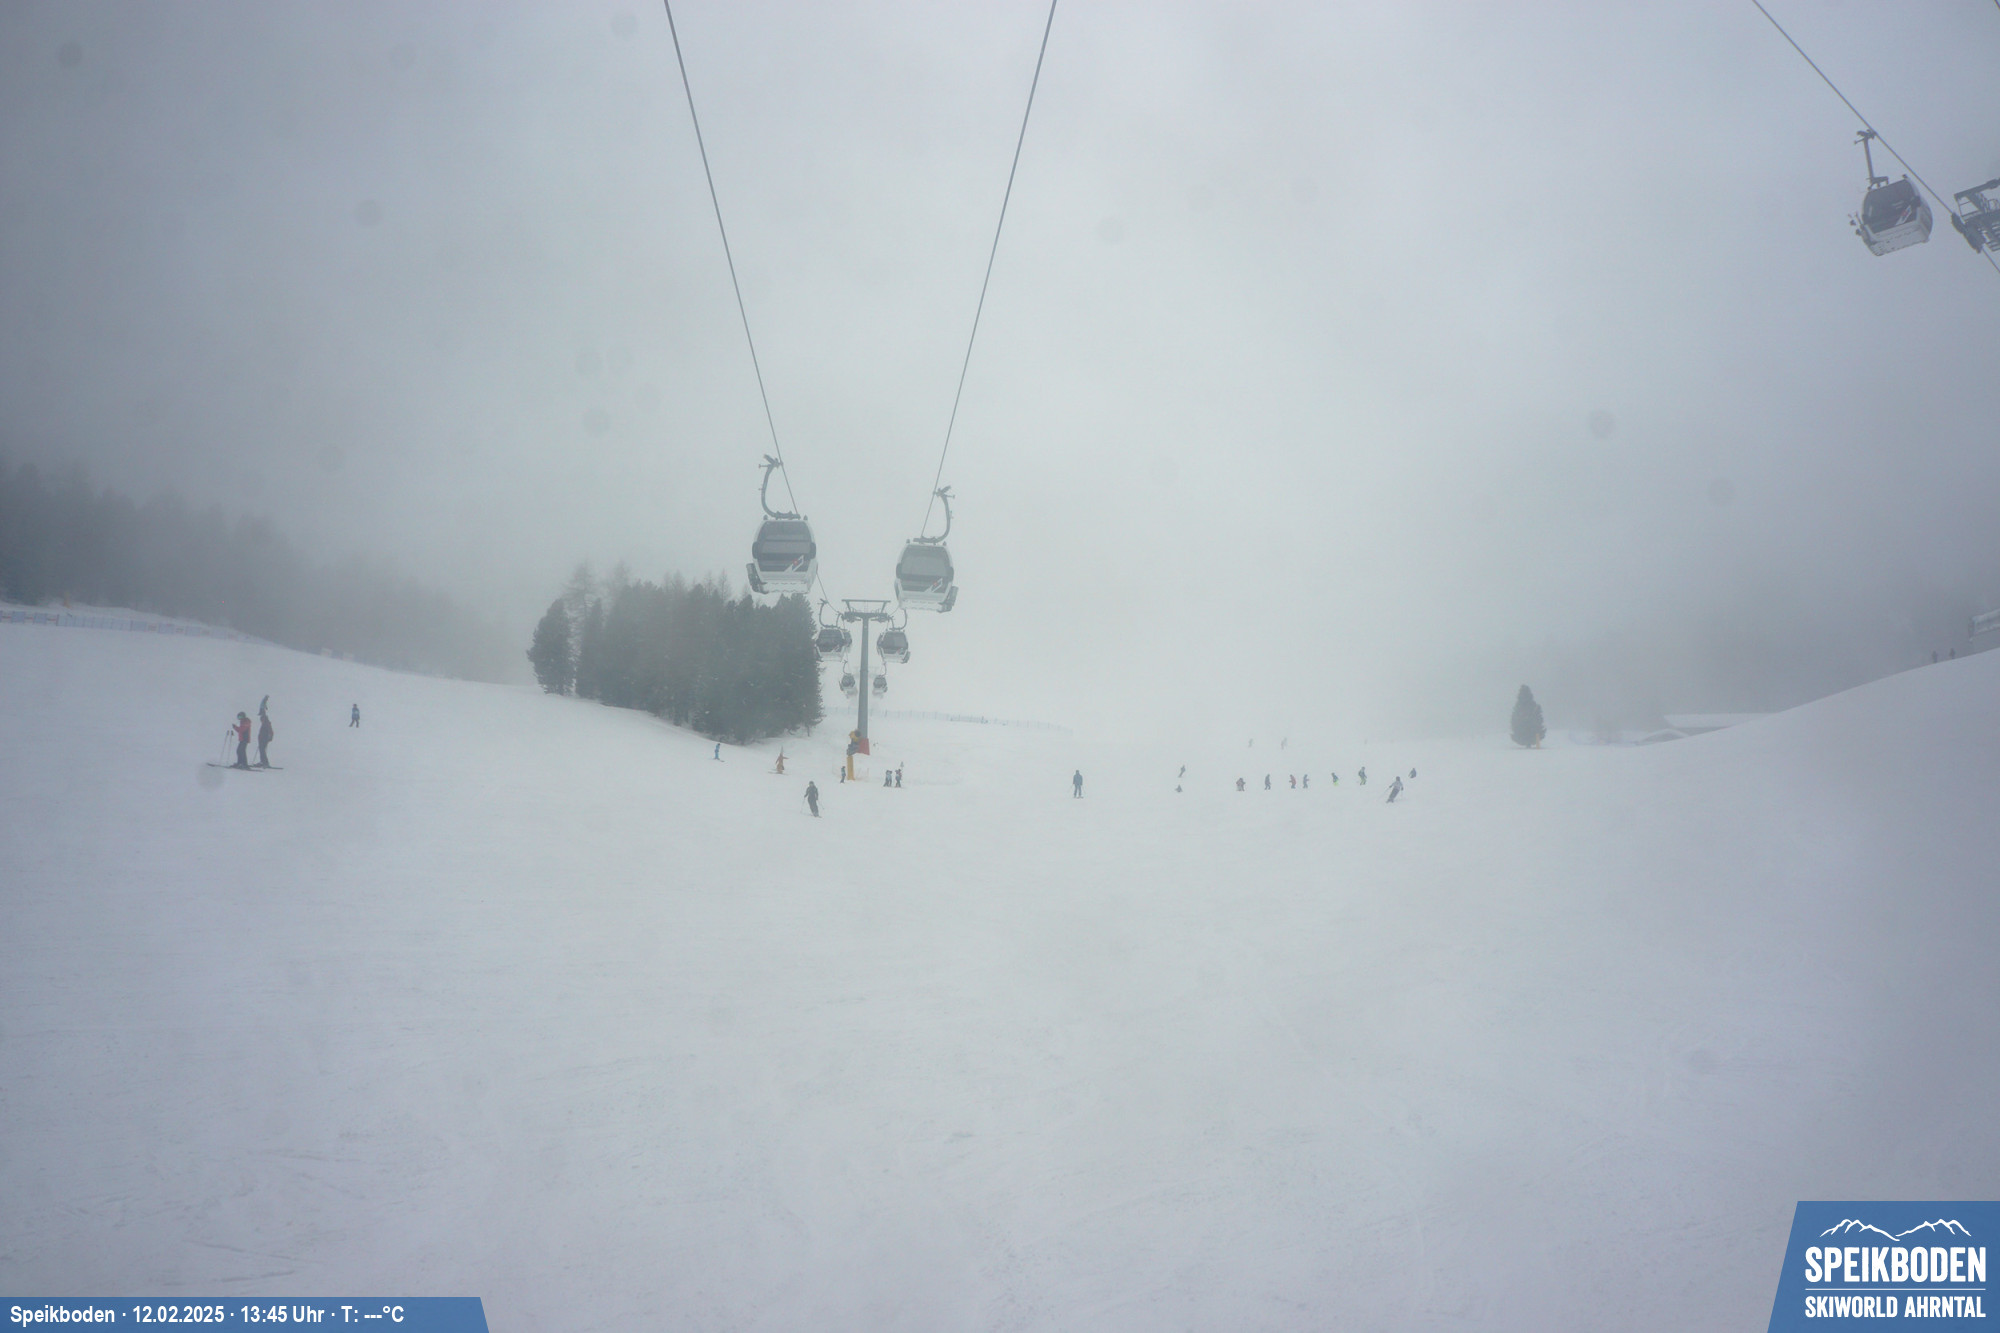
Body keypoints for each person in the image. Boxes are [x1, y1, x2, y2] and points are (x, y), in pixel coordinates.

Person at [256, 696, 274, 768]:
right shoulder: (265, 723)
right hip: (263, 739)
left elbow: (270, 731)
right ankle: (263, 761)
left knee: (262, 750)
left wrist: (270, 737)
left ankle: (265, 762)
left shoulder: (266, 723)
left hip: (264, 739)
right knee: (262, 750)